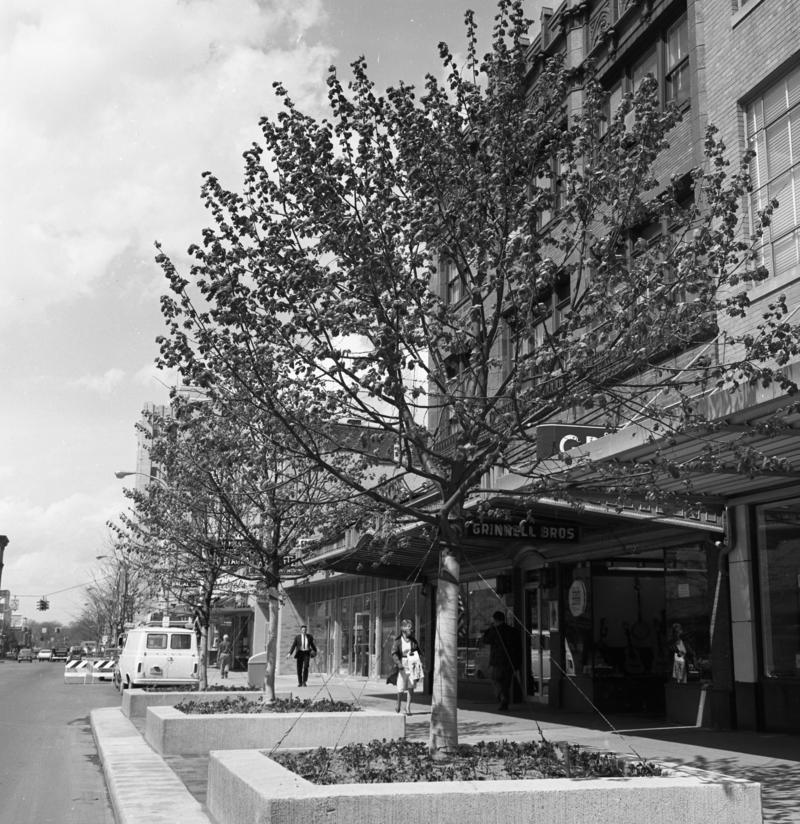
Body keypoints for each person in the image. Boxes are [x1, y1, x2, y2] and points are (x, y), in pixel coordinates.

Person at [481, 610, 521, 711]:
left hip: (498, 662)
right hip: (510, 662)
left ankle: (502, 698)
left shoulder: (495, 631)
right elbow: (518, 648)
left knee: (496, 679)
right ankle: (504, 700)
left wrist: (490, 628)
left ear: (495, 620)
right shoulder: (513, 631)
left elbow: (485, 640)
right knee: (506, 683)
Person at [390, 619, 424, 715]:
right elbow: (394, 653)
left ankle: (408, 707)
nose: (411, 631)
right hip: (402, 665)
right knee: (400, 687)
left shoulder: (413, 641)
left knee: (411, 686)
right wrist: (398, 663)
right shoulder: (398, 641)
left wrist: (420, 662)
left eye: (412, 629)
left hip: (413, 664)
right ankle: (399, 702)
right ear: (403, 629)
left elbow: (419, 652)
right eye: (410, 629)